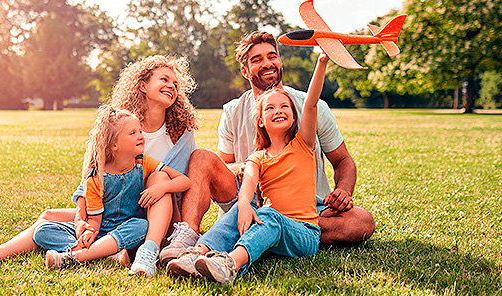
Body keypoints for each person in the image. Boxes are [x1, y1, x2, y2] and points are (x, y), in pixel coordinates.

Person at [0, 55, 200, 268]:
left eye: (176, 85)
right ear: (142, 84)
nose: (172, 87)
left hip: (150, 215)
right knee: (47, 217)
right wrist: (82, 220)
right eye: (164, 79)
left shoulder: (180, 132)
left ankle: (106, 251)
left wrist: (161, 191)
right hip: (107, 210)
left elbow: (181, 181)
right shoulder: (117, 126)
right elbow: (91, 177)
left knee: (158, 178)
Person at [159, 31, 375, 265]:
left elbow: (343, 160)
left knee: (361, 222)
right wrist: (245, 168)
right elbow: (223, 167)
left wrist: (343, 191)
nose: (267, 63)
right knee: (201, 157)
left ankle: (268, 233)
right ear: (245, 70)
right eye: (257, 59)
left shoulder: (310, 107)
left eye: (272, 56)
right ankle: (189, 239)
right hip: (249, 198)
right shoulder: (233, 111)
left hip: (307, 206)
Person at [167, 54, 329, 283]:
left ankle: (229, 264)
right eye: (270, 108)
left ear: (294, 117)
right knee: (244, 211)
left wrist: (321, 62)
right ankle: (196, 254)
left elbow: (311, 103)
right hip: (270, 230)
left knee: (268, 215)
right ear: (261, 120)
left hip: (304, 234)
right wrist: (243, 206)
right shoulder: (257, 157)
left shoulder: (304, 145)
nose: (278, 110)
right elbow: (249, 184)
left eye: (285, 106)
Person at [35, 106, 190, 277]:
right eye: (133, 133)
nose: (141, 136)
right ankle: (100, 253)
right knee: (42, 230)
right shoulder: (96, 176)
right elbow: (95, 219)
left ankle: (76, 256)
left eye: (140, 131)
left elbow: (184, 181)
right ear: (113, 145)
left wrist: (162, 187)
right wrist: (89, 231)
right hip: (102, 229)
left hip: (129, 227)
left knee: (142, 225)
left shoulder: (144, 162)